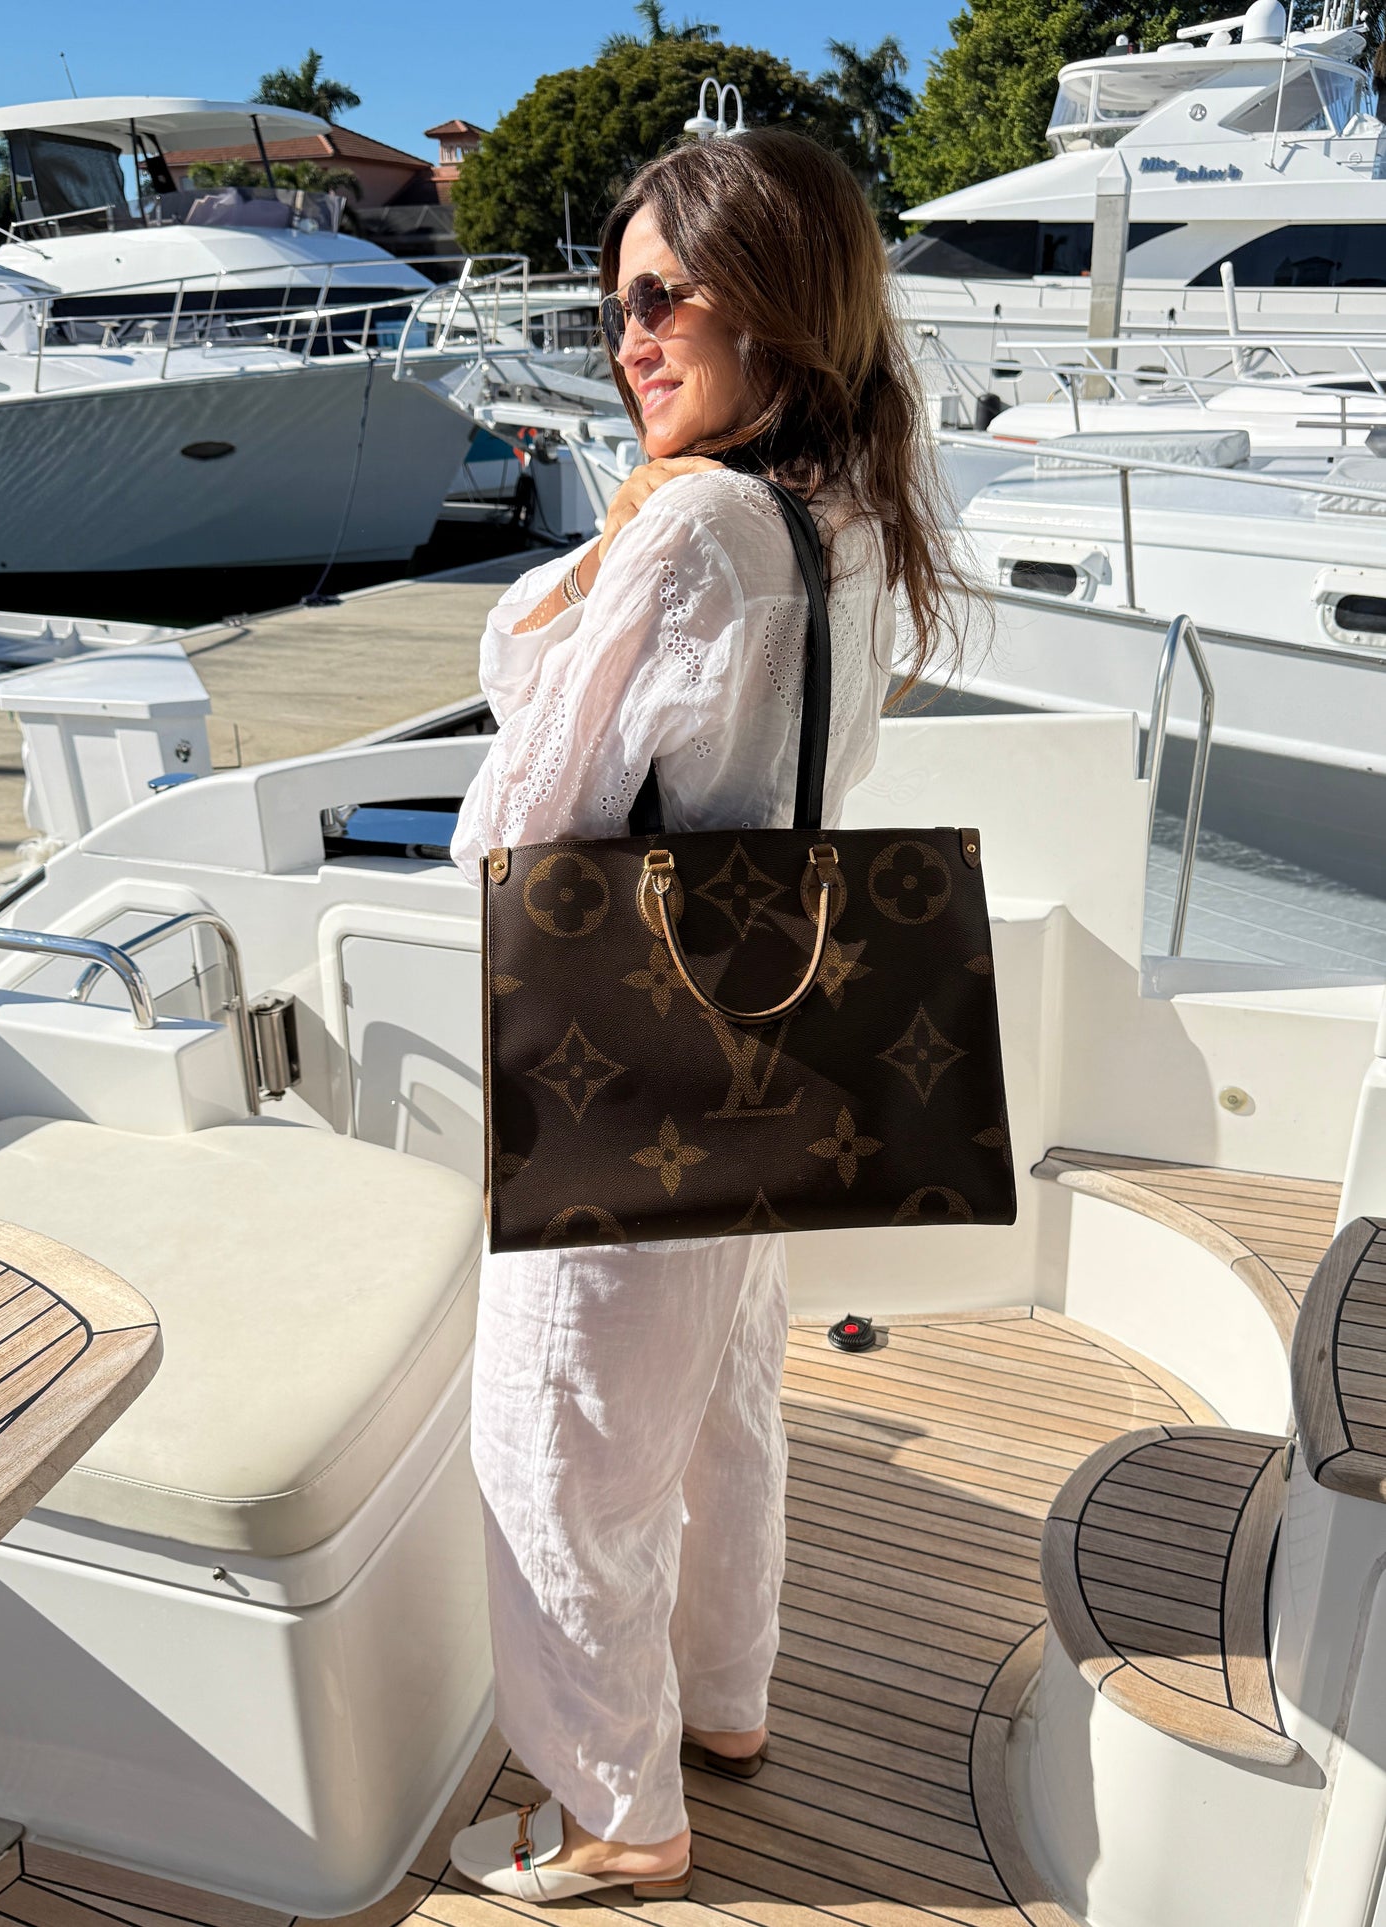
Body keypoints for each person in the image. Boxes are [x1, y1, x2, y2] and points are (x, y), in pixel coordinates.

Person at [447, 126, 965, 1902]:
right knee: (729, 1401)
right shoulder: (849, 516)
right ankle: (721, 1710)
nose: (630, 337)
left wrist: (586, 569)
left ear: (768, 299)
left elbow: (510, 826)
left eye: (662, 296)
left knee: (559, 1438)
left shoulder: (686, 527)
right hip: (782, 1037)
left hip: (636, 1035)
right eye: (618, 307)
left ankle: (617, 1812)